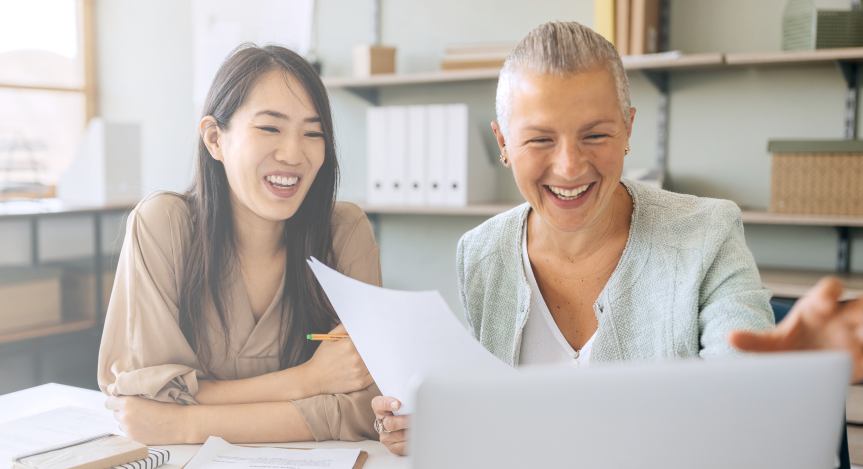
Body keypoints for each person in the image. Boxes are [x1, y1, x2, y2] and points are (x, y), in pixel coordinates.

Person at [370, 21, 863, 456]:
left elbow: (743, 415)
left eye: (596, 135)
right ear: (503, 143)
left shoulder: (707, 234)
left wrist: (786, 381)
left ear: (628, 127)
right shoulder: (481, 253)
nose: (569, 167)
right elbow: (494, 423)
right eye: (540, 139)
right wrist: (432, 425)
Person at [98, 44, 381, 445]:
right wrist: (309, 380)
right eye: (270, 128)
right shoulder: (161, 225)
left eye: (313, 133)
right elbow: (141, 400)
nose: (293, 153)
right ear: (215, 139)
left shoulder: (345, 232)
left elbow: (368, 406)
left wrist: (186, 425)